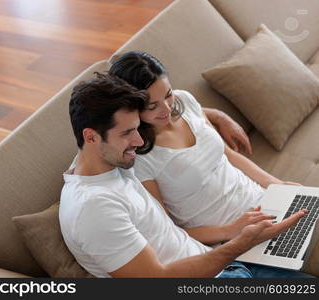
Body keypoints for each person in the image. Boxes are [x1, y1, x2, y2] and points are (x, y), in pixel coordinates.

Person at [59, 72, 310, 278]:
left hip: (224, 263)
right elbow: (158, 281)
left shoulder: (108, 160)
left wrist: (215, 115)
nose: (138, 141)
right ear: (90, 137)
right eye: (127, 134)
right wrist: (240, 243)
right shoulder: (94, 209)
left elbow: (171, 109)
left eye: (137, 129)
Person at [108, 51, 300, 246]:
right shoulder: (139, 156)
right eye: (152, 106)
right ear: (131, 107)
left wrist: (278, 186)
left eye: (168, 95)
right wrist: (230, 231)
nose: (167, 109)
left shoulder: (185, 101)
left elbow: (229, 155)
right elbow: (169, 233)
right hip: (232, 239)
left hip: (264, 202)